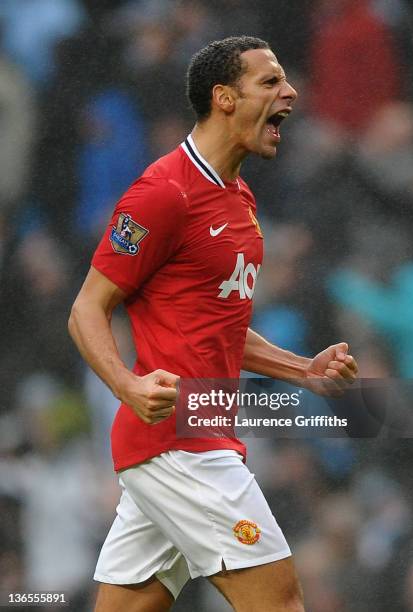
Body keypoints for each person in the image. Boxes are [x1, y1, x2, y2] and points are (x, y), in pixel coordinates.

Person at [68, 36, 358, 612]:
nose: (289, 91)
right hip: (180, 442)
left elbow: (217, 327)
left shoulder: (240, 199)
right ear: (224, 98)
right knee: (279, 601)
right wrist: (127, 384)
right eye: (270, 82)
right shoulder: (163, 193)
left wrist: (304, 371)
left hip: (189, 438)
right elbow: (86, 309)